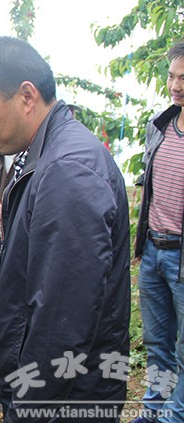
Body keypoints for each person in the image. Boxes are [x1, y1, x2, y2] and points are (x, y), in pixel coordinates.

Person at [0, 36, 130, 420]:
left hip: (66, 398)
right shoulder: (46, 154)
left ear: (27, 96)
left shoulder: (67, 169)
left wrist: (29, 407)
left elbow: (62, 318)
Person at [132, 41, 184, 423]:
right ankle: (152, 412)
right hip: (153, 251)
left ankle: (172, 418)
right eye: (172, 76)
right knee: (157, 344)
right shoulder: (160, 125)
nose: (176, 85)